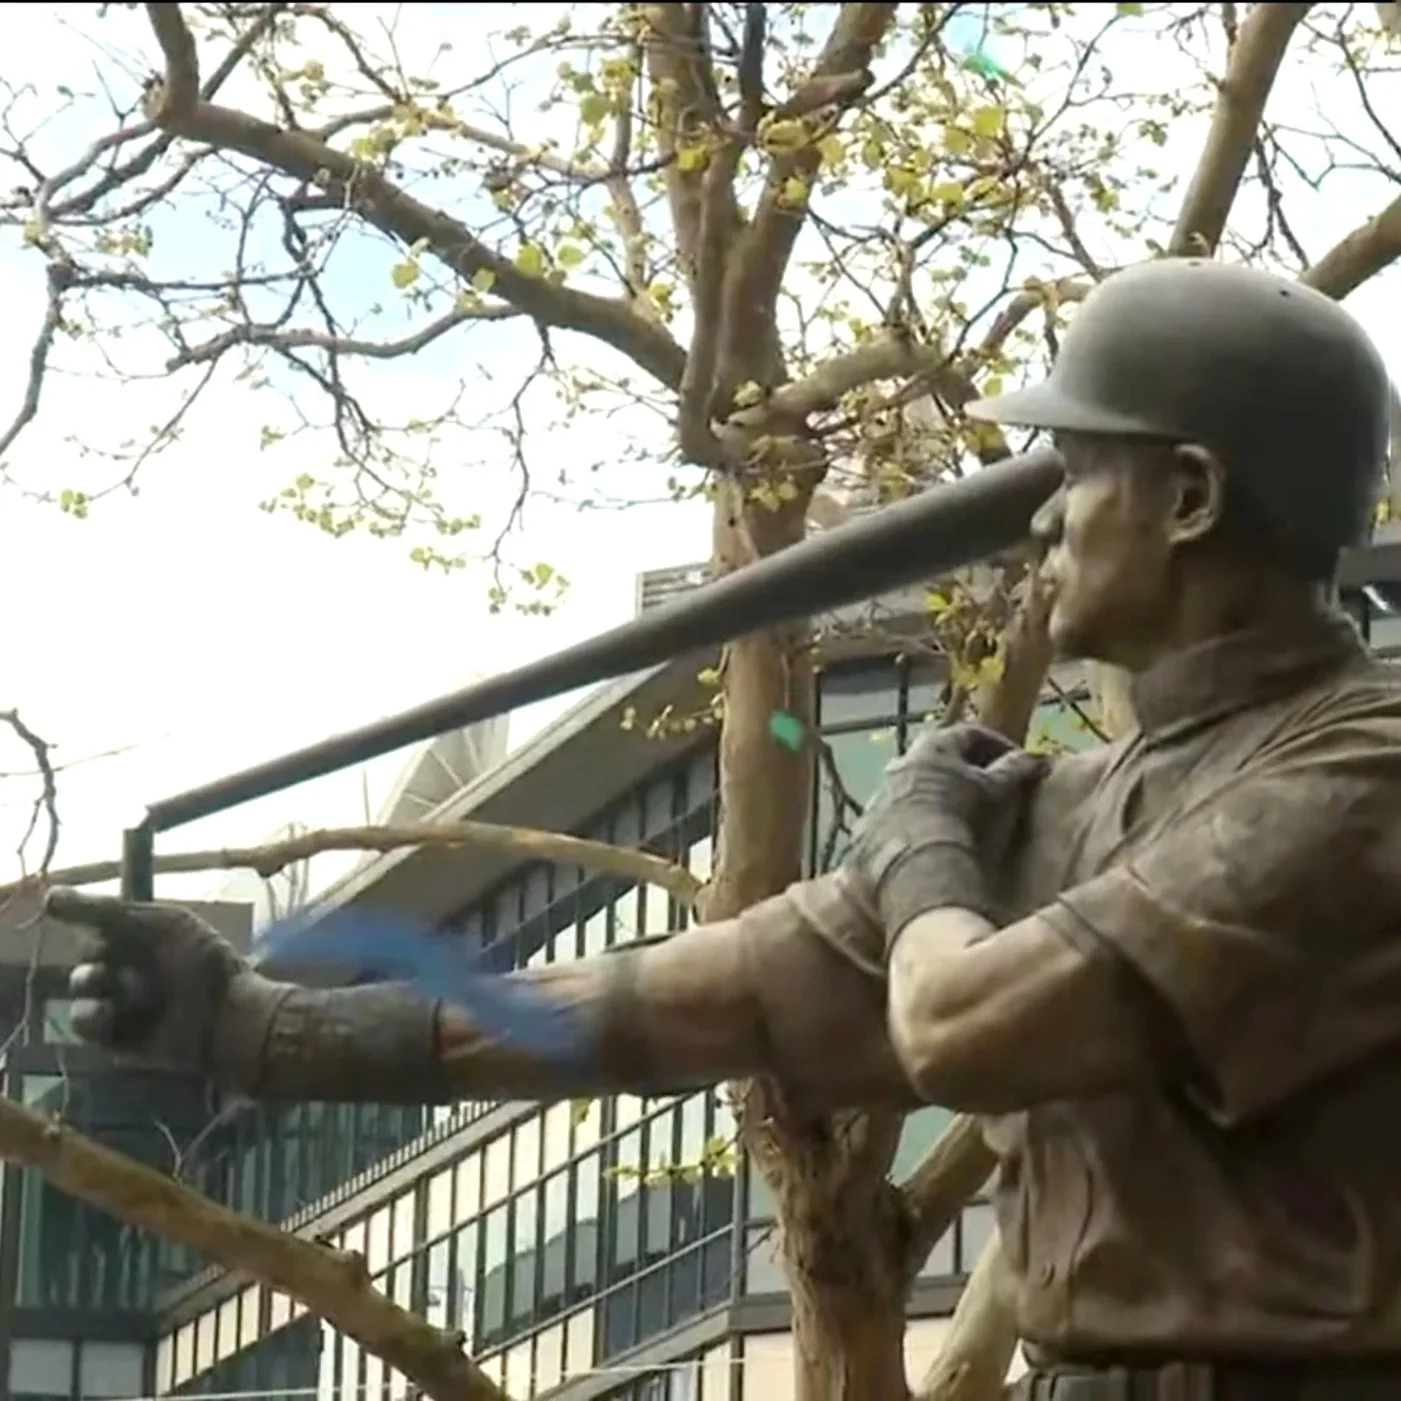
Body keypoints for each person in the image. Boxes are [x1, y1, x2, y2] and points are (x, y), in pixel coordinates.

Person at [48, 259, 1401, 1398]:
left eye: (1080, 467)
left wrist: (923, 853)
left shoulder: (1365, 769)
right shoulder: (1061, 806)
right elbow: (687, 1000)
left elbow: (970, 1031)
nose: (1041, 512)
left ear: (1189, 499)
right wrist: (263, 1031)